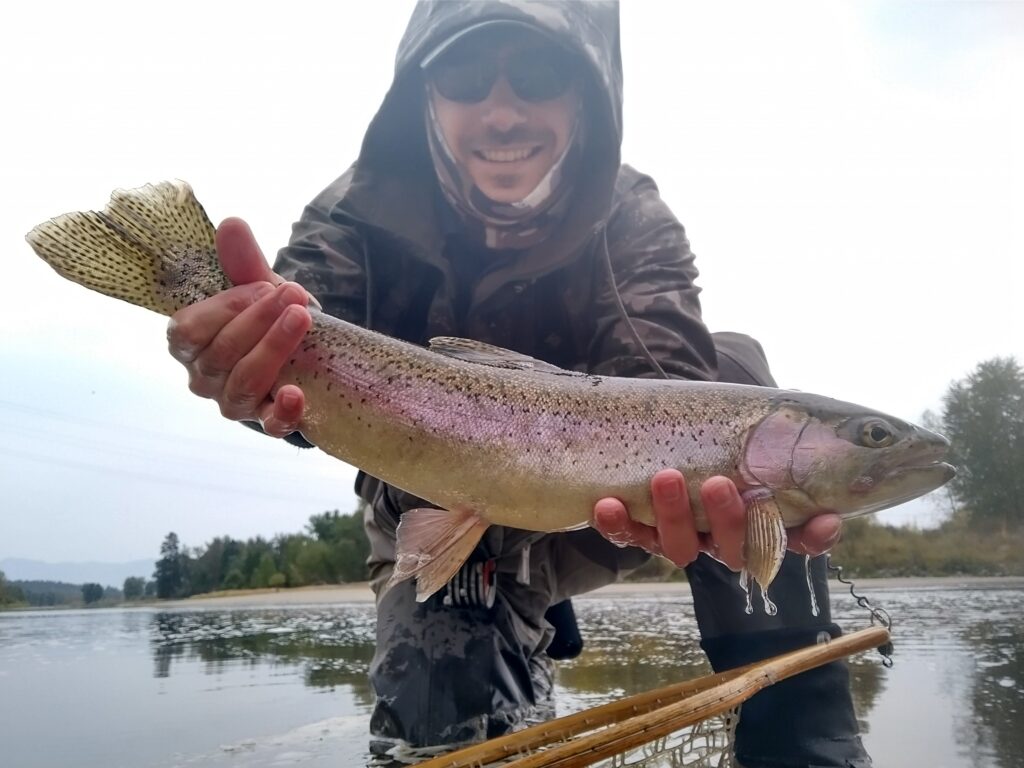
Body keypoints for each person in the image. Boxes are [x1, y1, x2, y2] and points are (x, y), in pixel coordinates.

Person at [166, 2, 870, 766]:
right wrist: (243, 365)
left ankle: (807, 742)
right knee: (444, 714)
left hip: (613, 508)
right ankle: (511, 619)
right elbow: (296, 367)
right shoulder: (354, 214)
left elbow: (668, 376)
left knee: (735, 373)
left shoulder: (632, 213)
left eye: (537, 74)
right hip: (434, 498)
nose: (502, 112)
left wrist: (699, 500)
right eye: (467, 75)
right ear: (426, 92)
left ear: (585, 92)